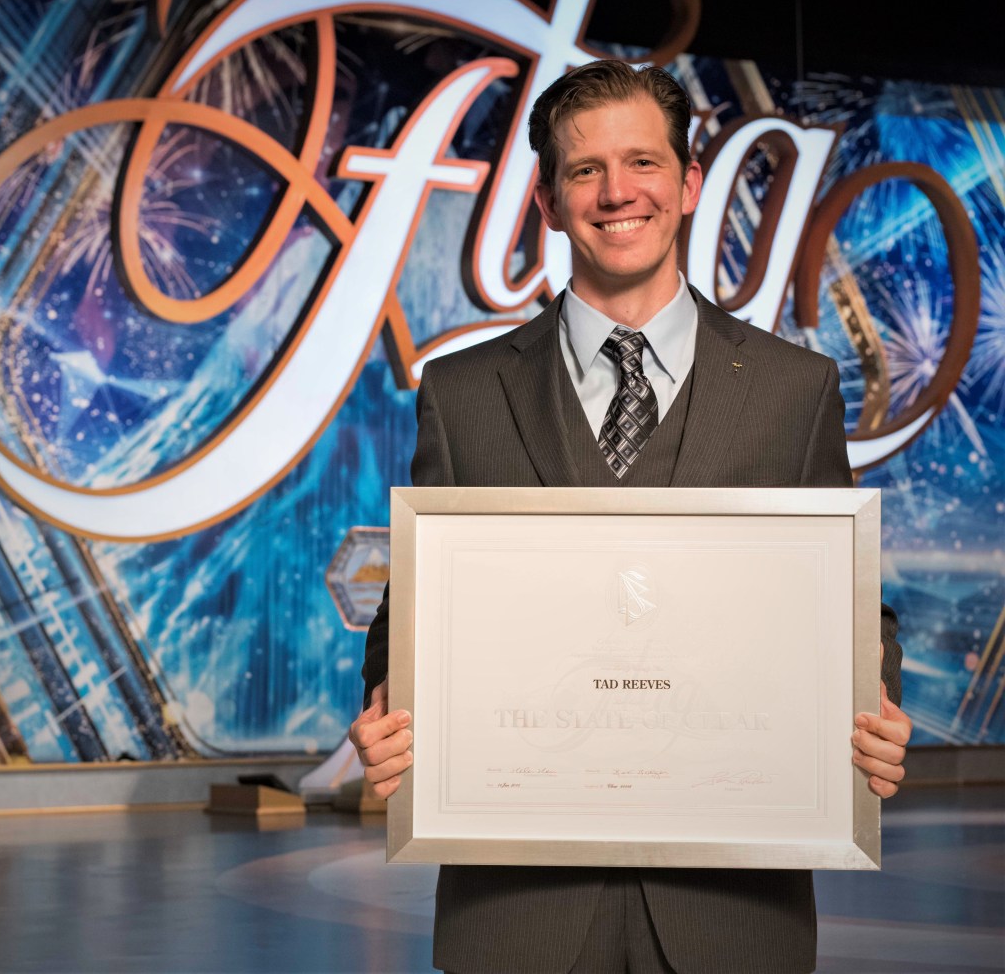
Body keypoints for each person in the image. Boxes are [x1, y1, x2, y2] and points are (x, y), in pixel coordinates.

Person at [351, 59, 912, 974]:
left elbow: (848, 604)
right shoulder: (460, 394)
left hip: (732, 911)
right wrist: (381, 703)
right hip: (520, 913)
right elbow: (412, 612)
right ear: (547, 200)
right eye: (585, 170)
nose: (618, 193)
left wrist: (876, 699)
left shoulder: (793, 391)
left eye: (644, 163)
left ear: (689, 184)